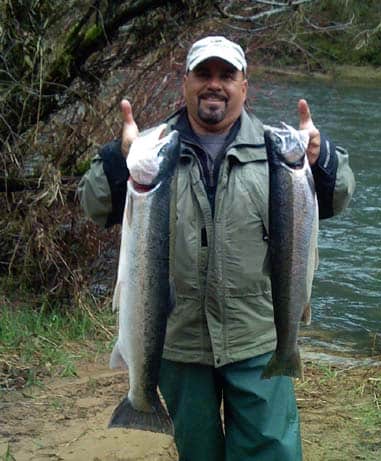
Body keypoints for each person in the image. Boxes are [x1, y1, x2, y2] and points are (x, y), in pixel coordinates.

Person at [78, 36, 355, 461]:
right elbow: (94, 206)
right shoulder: (152, 149)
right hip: (178, 340)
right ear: (184, 83)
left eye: (227, 75)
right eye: (203, 74)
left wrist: (322, 160)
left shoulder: (281, 152)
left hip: (257, 336)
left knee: (271, 451)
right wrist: (119, 157)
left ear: (245, 86)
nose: (214, 85)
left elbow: (336, 200)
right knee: (198, 452)